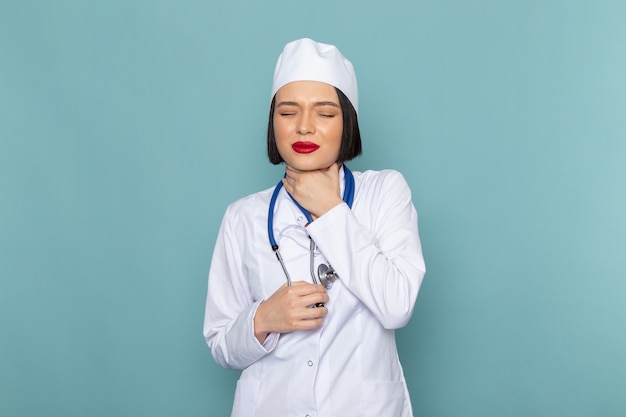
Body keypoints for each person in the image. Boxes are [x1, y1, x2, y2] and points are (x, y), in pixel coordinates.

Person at [203, 38, 426, 417]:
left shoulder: (385, 192)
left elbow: (397, 305)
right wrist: (264, 318)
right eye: (288, 112)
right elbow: (220, 344)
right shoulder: (242, 216)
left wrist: (329, 208)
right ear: (273, 123)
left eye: (325, 113)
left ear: (347, 123)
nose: (304, 127)